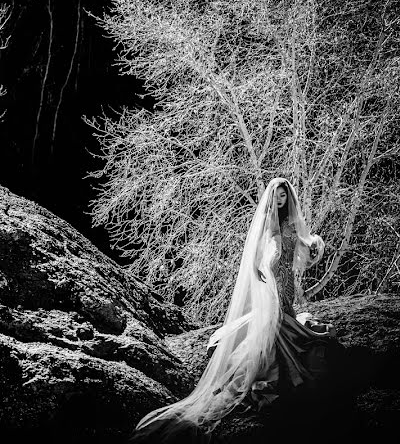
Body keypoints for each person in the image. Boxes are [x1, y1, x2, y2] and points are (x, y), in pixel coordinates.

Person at [131, 178, 337, 441]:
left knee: (287, 318)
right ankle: (264, 366)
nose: (279, 200)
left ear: (289, 198)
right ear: (271, 197)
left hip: (287, 282)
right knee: (273, 323)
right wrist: (257, 271)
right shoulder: (266, 221)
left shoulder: (293, 222)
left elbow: (304, 247)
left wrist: (313, 246)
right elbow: (255, 252)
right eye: (276, 196)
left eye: (284, 196)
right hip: (272, 281)